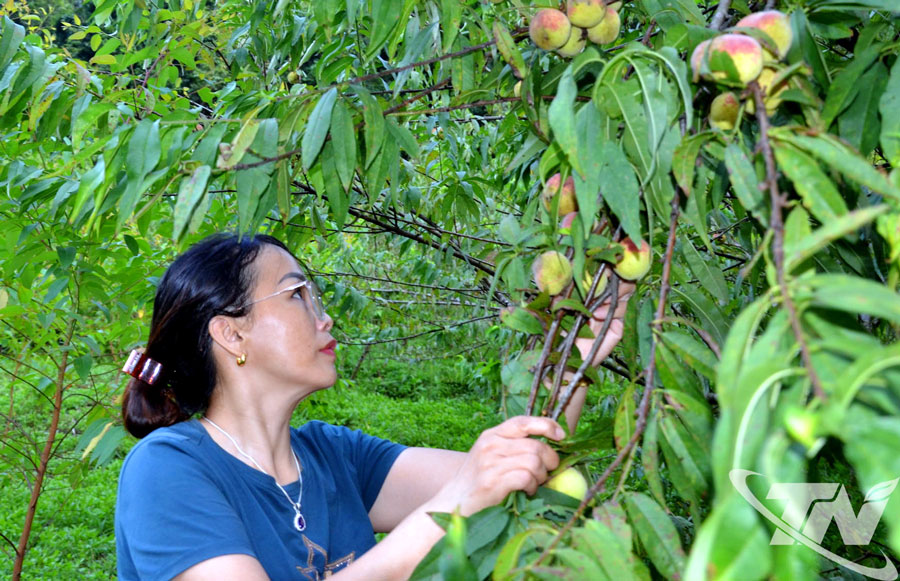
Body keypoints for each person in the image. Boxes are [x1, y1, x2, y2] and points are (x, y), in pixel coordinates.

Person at [115, 232, 632, 580]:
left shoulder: (332, 455)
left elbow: (520, 474)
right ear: (231, 333)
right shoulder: (166, 470)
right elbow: (465, 493)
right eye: (298, 294)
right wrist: (456, 503)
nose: (325, 317)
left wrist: (574, 355)